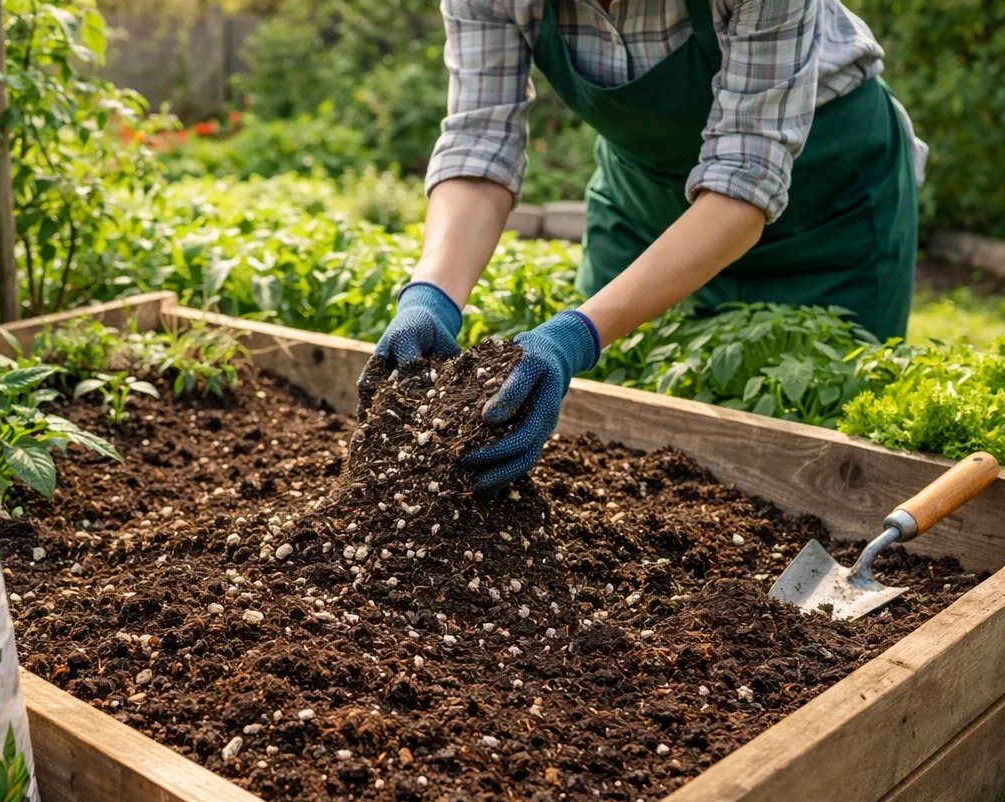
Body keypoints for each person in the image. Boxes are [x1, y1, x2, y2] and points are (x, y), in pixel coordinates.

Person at [366, 0, 927, 491]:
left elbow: (742, 180)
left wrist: (574, 336)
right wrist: (431, 294)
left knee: (825, 445)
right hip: (645, 195)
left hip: (827, 203)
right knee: (600, 421)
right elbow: (479, 145)